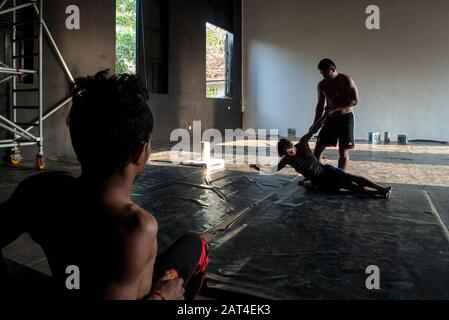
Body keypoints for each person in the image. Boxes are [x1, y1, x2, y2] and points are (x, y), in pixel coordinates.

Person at [0, 70, 208, 300]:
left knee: (193, 244)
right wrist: (162, 297)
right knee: (195, 251)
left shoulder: (41, 190)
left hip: (76, 281)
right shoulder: (135, 227)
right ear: (141, 151)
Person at [251, 116, 392, 198]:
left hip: (326, 170)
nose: (290, 154)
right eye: (287, 154)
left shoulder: (303, 145)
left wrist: (326, 116)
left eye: (290, 151)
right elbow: (273, 169)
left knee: (350, 177)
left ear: (292, 146)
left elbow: (313, 129)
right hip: (320, 181)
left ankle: (381, 189)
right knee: (350, 187)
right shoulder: (287, 159)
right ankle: (378, 195)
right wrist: (258, 167)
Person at [312, 58, 359, 171]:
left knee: (343, 151)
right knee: (318, 148)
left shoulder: (346, 80)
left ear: (332, 69)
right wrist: (315, 124)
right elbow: (320, 105)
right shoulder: (322, 85)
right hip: (331, 120)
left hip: (345, 119)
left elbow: (355, 101)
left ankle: (340, 176)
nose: (323, 75)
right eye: (321, 73)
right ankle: (315, 174)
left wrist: (334, 108)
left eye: (325, 72)